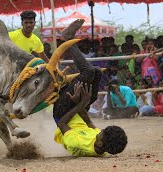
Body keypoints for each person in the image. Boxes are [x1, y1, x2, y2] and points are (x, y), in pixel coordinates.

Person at [52, 19, 127, 156]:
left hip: (61, 114)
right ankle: (69, 39)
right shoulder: (102, 143)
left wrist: (80, 103)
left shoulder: (78, 143)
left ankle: (68, 38)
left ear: (99, 143)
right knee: (97, 71)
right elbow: (87, 120)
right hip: (76, 108)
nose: (100, 131)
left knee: (89, 72)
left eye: (102, 132)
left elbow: (62, 124)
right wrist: (81, 103)